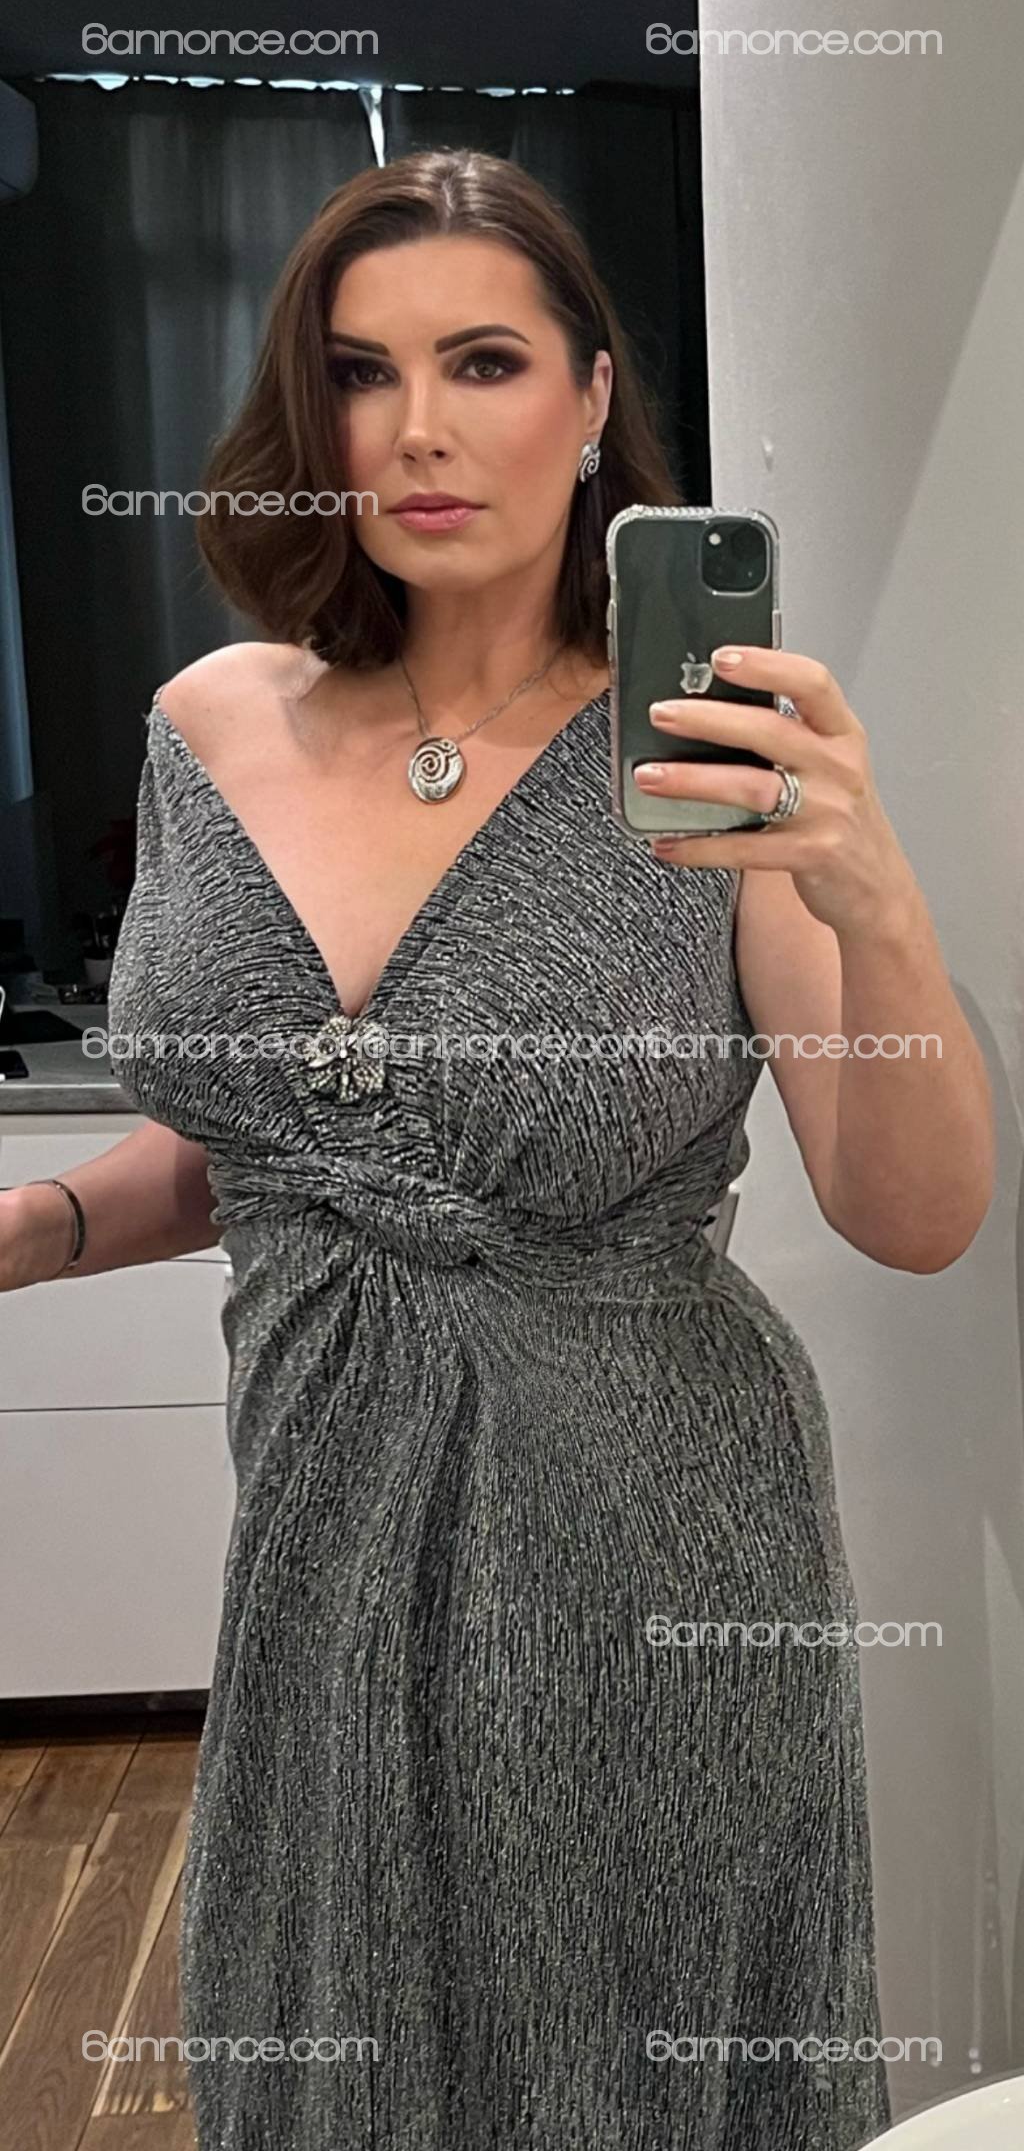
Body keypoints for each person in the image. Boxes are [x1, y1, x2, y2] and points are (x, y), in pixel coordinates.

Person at [2, 150, 993, 2149]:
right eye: (359, 372)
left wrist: (874, 893)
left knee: (635, 2057)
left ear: (593, 396)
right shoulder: (210, 728)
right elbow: (261, 1152)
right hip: (318, 1531)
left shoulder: (701, 757)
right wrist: (30, 1224)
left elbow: (912, 1214)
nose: (419, 428)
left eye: (482, 360)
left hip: (656, 1548)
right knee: (332, 2037)